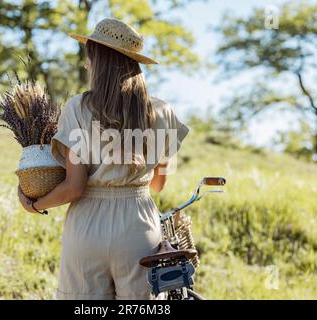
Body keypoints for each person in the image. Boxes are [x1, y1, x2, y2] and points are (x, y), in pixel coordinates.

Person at [18, 18, 189, 300]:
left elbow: (74, 187)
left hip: (87, 228)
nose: (87, 65)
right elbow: (158, 185)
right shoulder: (163, 112)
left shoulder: (77, 108)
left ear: (101, 61)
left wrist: (35, 205)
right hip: (139, 227)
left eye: (90, 58)